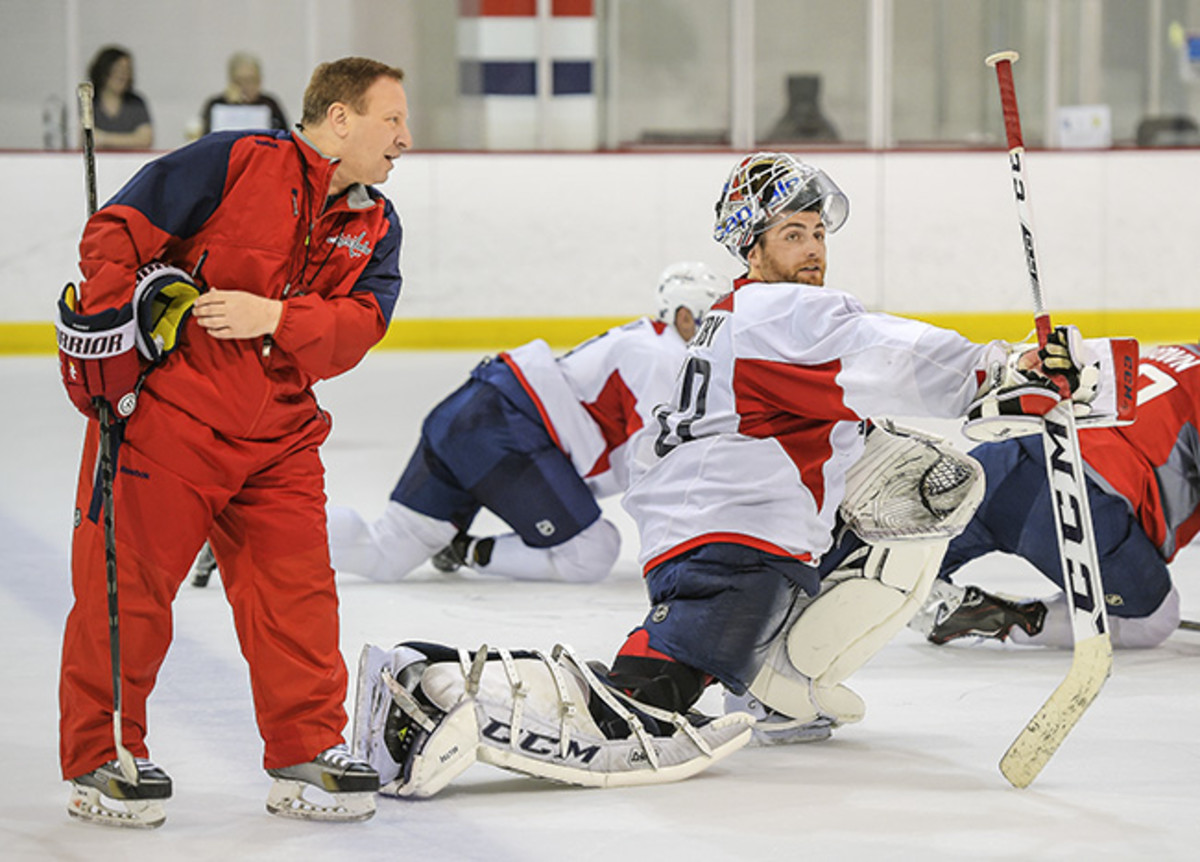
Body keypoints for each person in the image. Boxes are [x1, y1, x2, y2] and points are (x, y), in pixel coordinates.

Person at [348, 152, 1102, 797]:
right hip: (739, 552)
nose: (812, 249)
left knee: (902, 495)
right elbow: (884, 351)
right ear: (752, 247)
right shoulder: (788, 315)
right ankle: (441, 692)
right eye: (791, 234)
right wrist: (1003, 368)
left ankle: (778, 680)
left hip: (699, 542)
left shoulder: (732, 319)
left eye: (816, 234)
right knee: (647, 701)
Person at [54, 56, 412, 828]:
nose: (405, 139)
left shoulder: (377, 224)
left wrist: (276, 318)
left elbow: (360, 328)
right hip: (166, 425)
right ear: (340, 118)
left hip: (280, 437)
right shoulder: (230, 161)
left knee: (299, 595)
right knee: (128, 595)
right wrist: (122, 326)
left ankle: (305, 747)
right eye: (393, 120)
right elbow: (114, 235)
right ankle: (101, 753)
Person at [326, 261, 726, 585]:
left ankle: (278, 529)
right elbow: (656, 467)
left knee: (384, 553)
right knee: (591, 552)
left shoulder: (648, 343)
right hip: (508, 431)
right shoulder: (664, 359)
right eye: (713, 322)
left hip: (473, 413)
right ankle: (467, 552)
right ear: (685, 316)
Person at [909, 342, 1194, 650]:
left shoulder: (1178, 351)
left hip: (1000, 459)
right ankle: (1011, 619)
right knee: (1152, 620)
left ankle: (929, 600)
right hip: (1074, 500)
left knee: (903, 572)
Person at [198, 52, 289, 136]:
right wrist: (233, 104)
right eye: (239, 81)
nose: (246, 86)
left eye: (251, 80)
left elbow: (284, 135)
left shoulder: (269, 104)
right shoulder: (217, 104)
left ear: (259, 80)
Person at [87, 45, 153, 150]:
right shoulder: (88, 103)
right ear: (103, 71)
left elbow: (145, 140)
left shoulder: (136, 103)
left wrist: (103, 138)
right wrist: (131, 139)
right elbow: (83, 138)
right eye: (116, 70)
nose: (122, 76)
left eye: (126, 71)